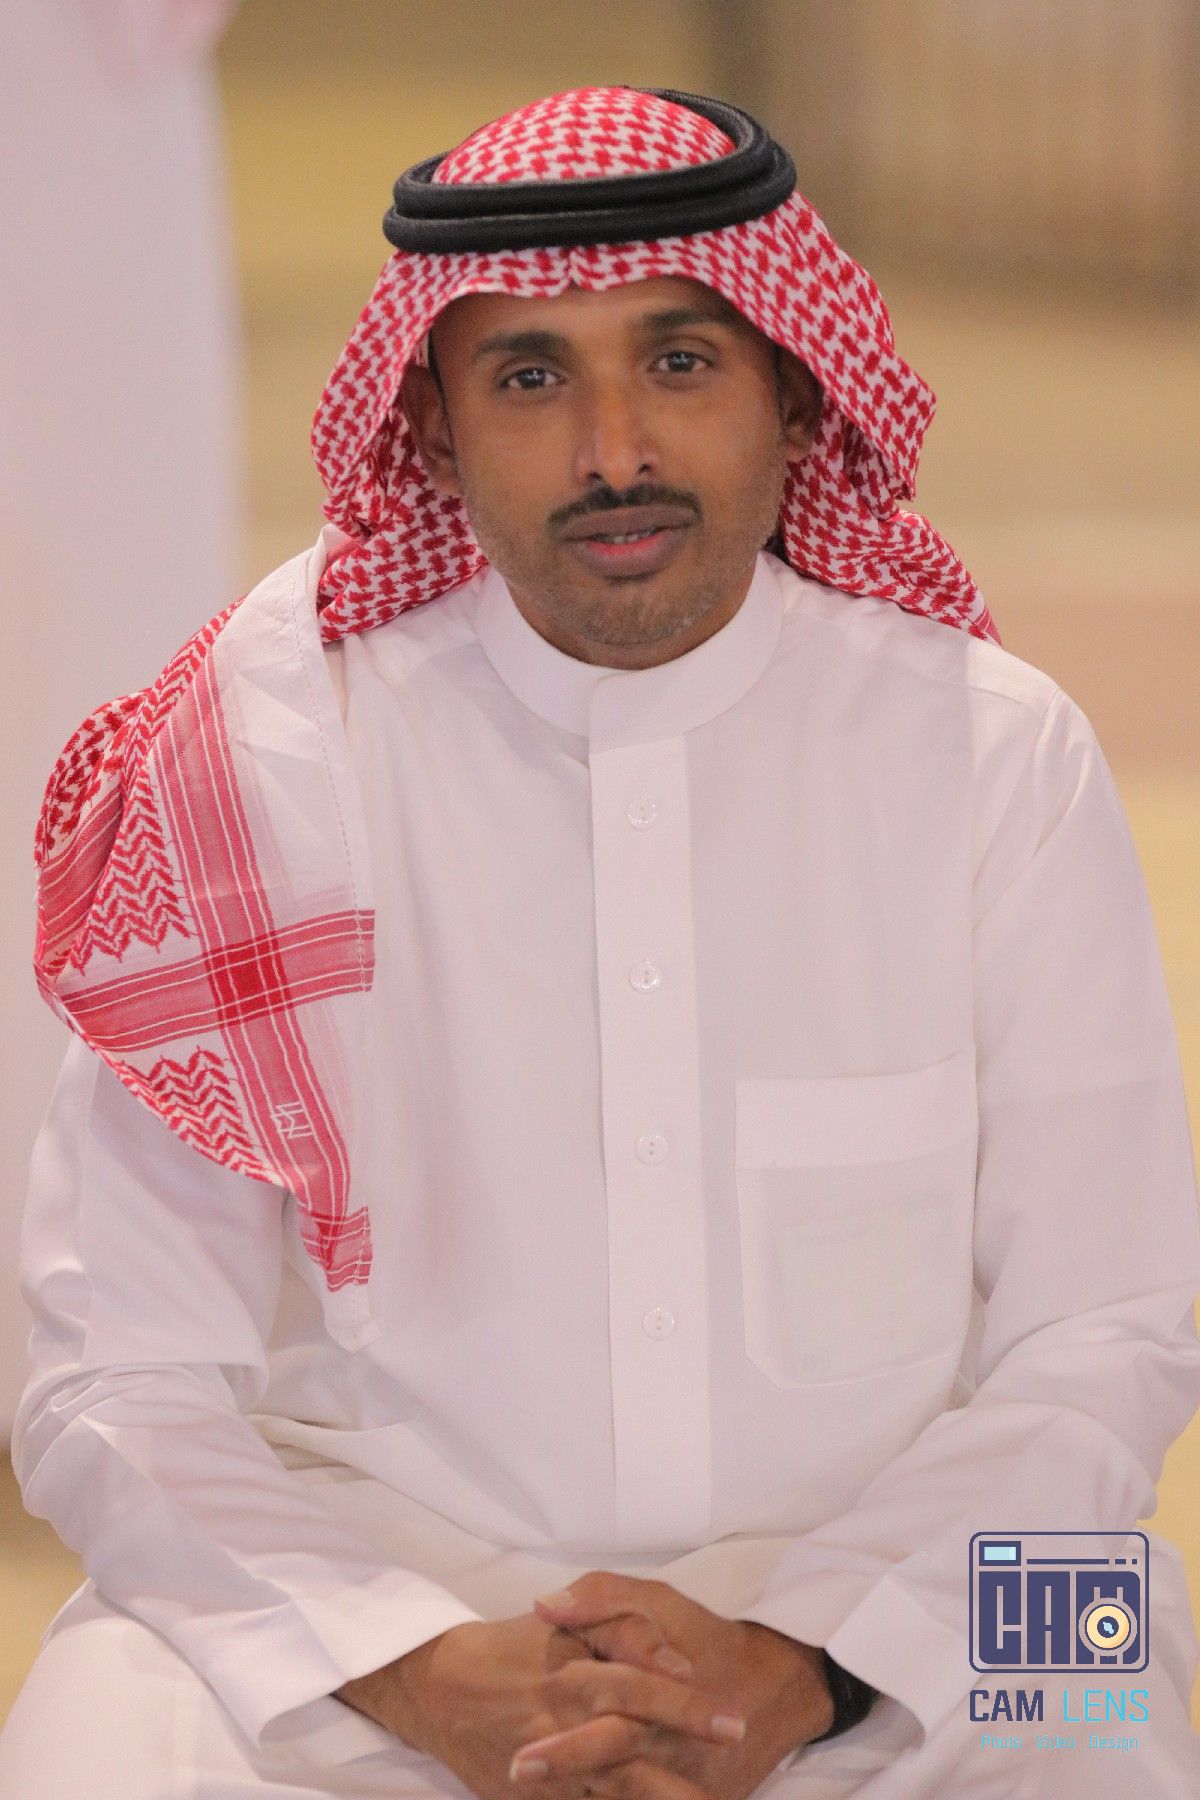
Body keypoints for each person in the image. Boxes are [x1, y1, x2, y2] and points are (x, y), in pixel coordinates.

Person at [2, 85, 1199, 1799]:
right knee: (97, 1751)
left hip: (893, 1590)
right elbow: (117, 1373)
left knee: (1106, 1687)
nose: (613, 450)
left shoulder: (992, 753)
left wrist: (808, 1667)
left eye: (681, 363)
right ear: (431, 431)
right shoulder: (254, 764)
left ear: (796, 390)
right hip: (381, 1603)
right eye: (531, 378)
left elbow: (1108, 1333)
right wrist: (418, 1672)